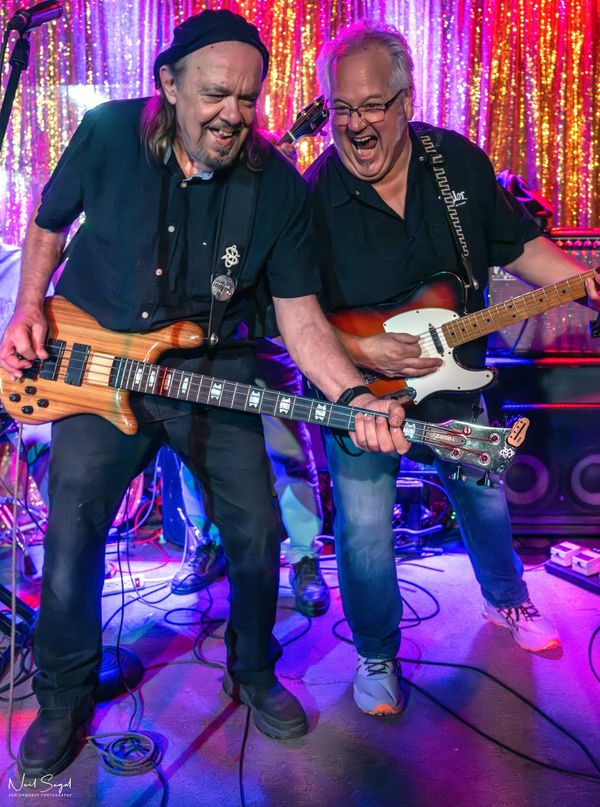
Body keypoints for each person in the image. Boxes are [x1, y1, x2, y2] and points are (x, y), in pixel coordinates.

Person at [0, 10, 409, 777]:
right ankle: (62, 695)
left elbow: (301, 320)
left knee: (257, 531)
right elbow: (49, 224)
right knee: (73, 532)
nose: (232, 114)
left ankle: (251, 669)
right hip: (95, 362)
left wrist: (356, 396)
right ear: (169, 83)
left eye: (247, 98)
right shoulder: (108, 134)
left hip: (211, 372)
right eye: (216, 94)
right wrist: (28, 306)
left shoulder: (275, 187)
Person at [306, 20, 600, 716]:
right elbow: (293, 312)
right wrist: (363, 352)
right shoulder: (313, 192)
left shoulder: (455, 163)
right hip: (362, 393)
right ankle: (376, 650)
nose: (356, 125)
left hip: (455, 377)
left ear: (406, 101)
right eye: (341, 109)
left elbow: (519, 245)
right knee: (365, 527)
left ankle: (507, 600)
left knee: (484, 494)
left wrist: (584, 280)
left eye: (373, 105)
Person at [172, 335, 330, 617]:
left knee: (290, 452)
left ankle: (304, 556)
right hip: (202, 352)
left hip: (264, 345)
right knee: (194, 452)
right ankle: (211, 544)